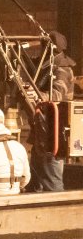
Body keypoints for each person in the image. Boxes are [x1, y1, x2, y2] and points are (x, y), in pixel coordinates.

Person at [26, 30, 74, 192]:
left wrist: (38, 95)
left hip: (53, 133)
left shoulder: (63, 69)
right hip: (42, 132)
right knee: (37, 178)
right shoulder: (47, 65)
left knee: (51, 179)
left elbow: (58, 94)